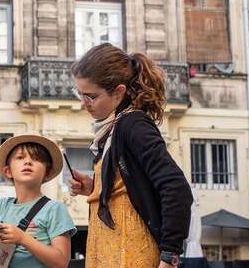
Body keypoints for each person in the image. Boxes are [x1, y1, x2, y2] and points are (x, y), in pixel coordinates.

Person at [68, 43, 193, 268]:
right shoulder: (113, 127)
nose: (83, 103)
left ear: (118, 92)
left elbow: (176, 187)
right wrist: (94, 187)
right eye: (81, 94)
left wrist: (170, 255)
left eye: (91, 96)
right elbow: (127, 185)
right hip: (110, 248)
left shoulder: (132, 123)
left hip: (131, 250)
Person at [0, 134, 76, 268]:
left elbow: (61, 262)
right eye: (20, 157)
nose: (28, 162)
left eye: (36, 159)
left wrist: (23, 238)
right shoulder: (1, 206)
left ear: (47, 172)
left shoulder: (55, 209)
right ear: (8, 171)